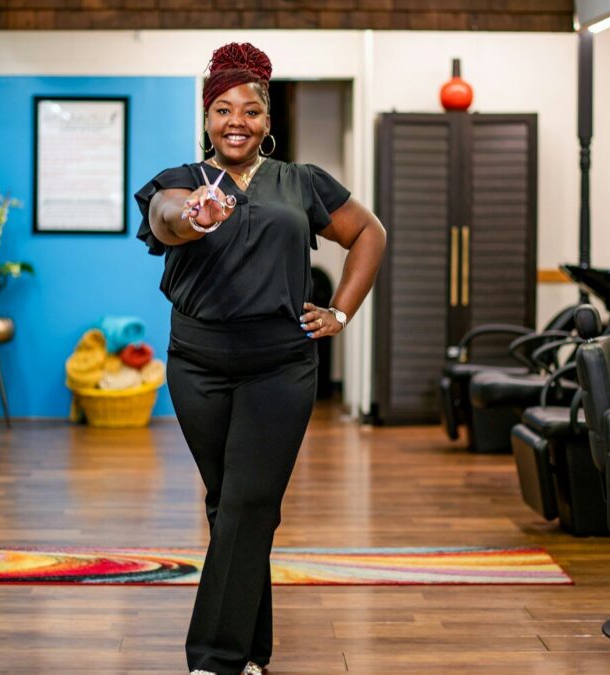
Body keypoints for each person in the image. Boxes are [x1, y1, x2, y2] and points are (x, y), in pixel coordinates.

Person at [134, 42, 386, 675]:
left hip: (280, 363)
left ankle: (213, 661)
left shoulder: (301, 183)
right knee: (233, 504)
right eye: (222, 110)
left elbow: (369, 233)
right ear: (207, 119)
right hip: (197, 363)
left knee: (246, 501)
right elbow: (166, 221)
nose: (236, 121)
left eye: (249, 110)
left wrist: (342, 312)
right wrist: (195, 215)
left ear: (267, 120)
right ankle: (252, 653)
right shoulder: (180, 182)